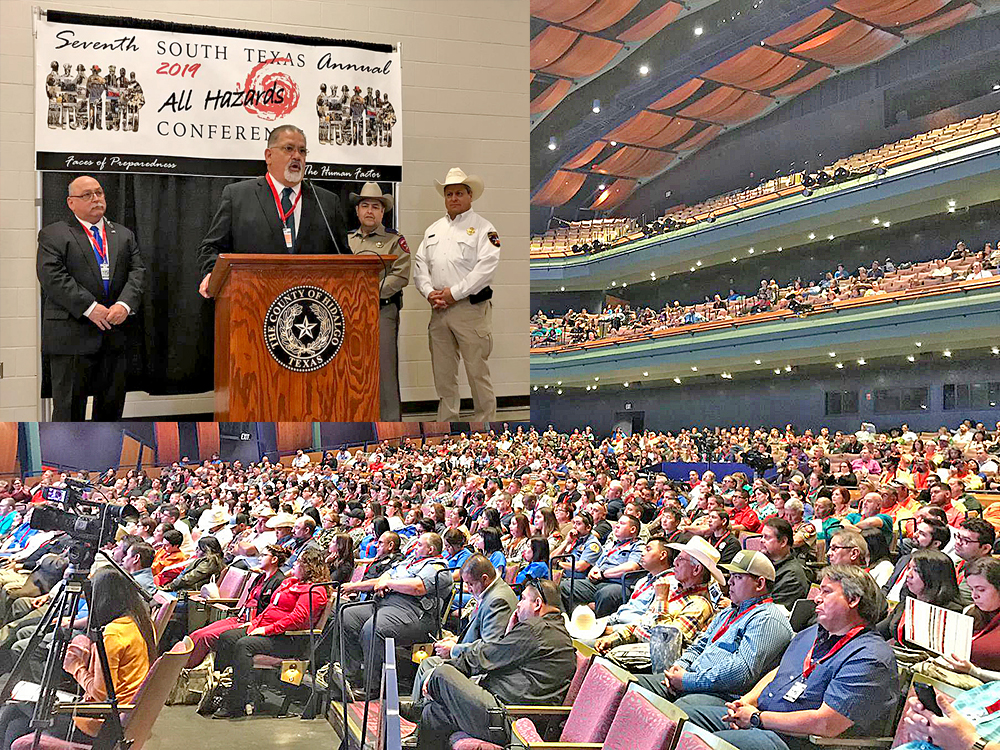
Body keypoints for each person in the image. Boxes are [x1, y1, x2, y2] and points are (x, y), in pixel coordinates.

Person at [680, 565, 899, 750]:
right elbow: (780, 672)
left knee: (704, 745)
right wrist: (747, 701)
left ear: (853, 600)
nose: (817, 599)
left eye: (826, 592)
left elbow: (826, 724)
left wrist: (757, 719)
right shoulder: (811, 633)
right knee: (684, 719)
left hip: (796, 741)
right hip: (764, 719)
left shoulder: (869, 657)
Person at [0, 568, 155, 750]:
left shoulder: (112, 635)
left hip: (98, 722)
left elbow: (99, 694)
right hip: (118, 719)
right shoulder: (141, 623)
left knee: (13, 711)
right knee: (15, 719)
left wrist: (75, 667)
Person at [414, 579, 576, 750]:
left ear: (537, 604)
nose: (518, 605)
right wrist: (509, 634)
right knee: (434, 713)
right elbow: (500, 657)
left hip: (510, 720)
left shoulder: (537, 629)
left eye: (522, 599)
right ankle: (418, 711)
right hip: (509, 714)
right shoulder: (553, 631)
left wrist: (440, 673)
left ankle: (413, 708)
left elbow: (485, 657)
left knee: (442, 673)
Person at [36, 175, 146, 420]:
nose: (96, 199)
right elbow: (52, 277)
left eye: (99, 193)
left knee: (110, 411)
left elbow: (137, 273)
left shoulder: (123, 234)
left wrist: (124, 305)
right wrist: (90, 307)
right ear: (71, 203)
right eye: (87, 195)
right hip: (72, 335)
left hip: (115, 335)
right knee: (69, 412)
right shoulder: (53, 235)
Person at [197, 124, 350, 298]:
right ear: (268, 156)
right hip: (252, 302)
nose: (297, 156)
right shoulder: (239, 196)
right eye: (289, 149)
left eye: (302, 151)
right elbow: (211, 247)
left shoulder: (327, 202)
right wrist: (213, 275)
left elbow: (343, 258)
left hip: (311, 307)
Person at [634, 550, 793, 705]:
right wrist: (679, 666)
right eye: (730, 576)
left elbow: (741, 673)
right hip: (691, 680)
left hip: (722, 695)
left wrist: (688, 681)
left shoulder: (767, 618)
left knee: (676, 710)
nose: (730, 582)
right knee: (633, 686)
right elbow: (699, 645)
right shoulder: (728, 612)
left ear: (760, 583)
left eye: (737, 577)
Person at [413, 167, 500, 422]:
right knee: (443, 373)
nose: (453, 198)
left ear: (470, 195)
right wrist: (430, 293)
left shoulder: (485, 229)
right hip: (439, 311)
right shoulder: (433, 230)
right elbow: (420, 266)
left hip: (469, 310)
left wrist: (455, 293)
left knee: (477, 372)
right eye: (449, 193)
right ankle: (446, 423)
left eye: (459, 193)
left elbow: (486, 268)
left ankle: (484, 423)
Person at [212, 546, 330, 718]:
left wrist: (266, 629)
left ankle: (236, 703)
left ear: (309, 566)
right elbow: (270, 610)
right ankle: (222, 690)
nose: (293, 566)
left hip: (289, 640)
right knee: (227, 637)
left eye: (298, 562)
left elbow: (297, 620)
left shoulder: (315, 591)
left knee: (244, 645)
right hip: (272, 632)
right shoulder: (291, 583)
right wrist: (253, 625)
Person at [334, 532, 447, 698]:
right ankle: (349, 675)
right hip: (385, 603)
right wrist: (363, 585)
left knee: (373, 628)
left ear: (430, 550)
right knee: (347, 616)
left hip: (413, 612)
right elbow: (385, 576)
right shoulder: (409, 563)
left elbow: (417, 587)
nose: (415, 547)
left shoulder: (437, 568)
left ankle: (373, 686)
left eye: (420, 545)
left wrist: (388, 583)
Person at [406, 554, 517, 713]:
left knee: (432, 671)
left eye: (470, 584)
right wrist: (455, 640)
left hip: (480, 668)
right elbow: (479, 634)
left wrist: (453, 649)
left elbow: (489, 647)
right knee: (426, 663)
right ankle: (417, 712)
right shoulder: (491, 593)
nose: (468, 589)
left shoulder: (498, 600)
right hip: (470, 655)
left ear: (484, 579)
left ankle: (422, 718)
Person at [347, 182, 411, 420]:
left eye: (375, 206)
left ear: (383, 212)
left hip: (382, 311)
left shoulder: (395, 240)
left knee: (385, 370)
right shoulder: (347, 240)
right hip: (350, 311)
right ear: (357, 210)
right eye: (365, 205)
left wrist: (368, 293)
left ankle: (391, 421)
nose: (370, 211)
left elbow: (401, 275)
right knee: (353, 367)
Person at [186, 543, 289, 669]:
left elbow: (272, 611)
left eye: (263, 555)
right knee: (195, 634)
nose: (259, 558)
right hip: (240, 616)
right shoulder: (260, 577)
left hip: (252, 622)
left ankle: (189, 671)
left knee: (205, 638)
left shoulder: (279, 581)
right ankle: (179, 668)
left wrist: (254, 623)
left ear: (274, 559)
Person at [877, 549, 964, 650]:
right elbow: (879, 632)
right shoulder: (908, 602)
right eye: (909, 568)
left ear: (933, 576)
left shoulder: (951, 613)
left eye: (916, 570)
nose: (908, 574)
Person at [559, 514, 643, 616]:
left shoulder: (638, 546)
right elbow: (598, 564)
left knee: (606, 594)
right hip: (598, 582)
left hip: (619, 585)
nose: (617, 526)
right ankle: (573, 620)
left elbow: (631, 567)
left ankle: (598, 627)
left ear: (633, 529)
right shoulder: (611, 544)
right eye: (617, 523)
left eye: (622, 524)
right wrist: (593, 572)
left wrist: (603, 574)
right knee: (565, 587)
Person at [761, 518, 811, 609]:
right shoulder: (764, 562)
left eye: (767, 537)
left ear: (783, 542)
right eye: (762, 536)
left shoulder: (793, 577)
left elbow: (770, 610)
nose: (761, 540)